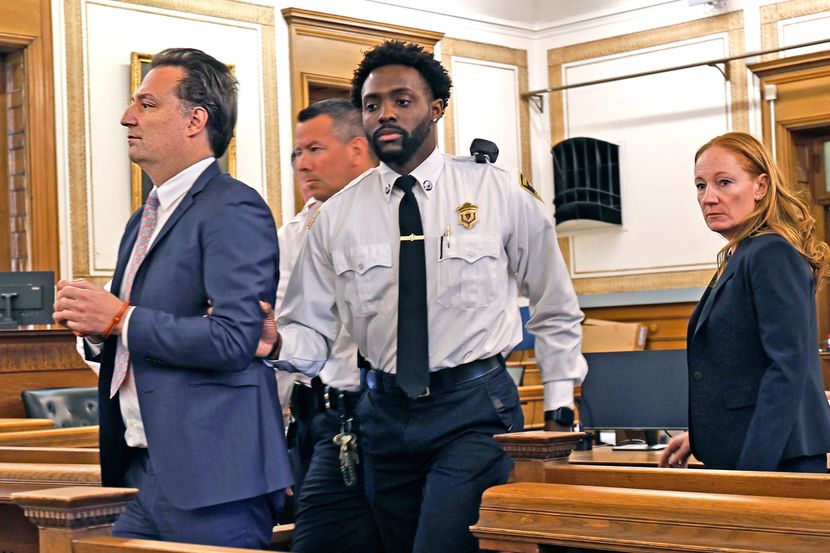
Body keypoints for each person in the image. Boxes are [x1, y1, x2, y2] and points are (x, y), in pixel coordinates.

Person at [275, 40, 586, 553]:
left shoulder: (497, 192)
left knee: (442, 542)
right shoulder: (335, 217)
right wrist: (274, 343)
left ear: (437, 108)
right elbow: (309, 332)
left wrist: (558, 408)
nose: (385, 114)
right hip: (383, 416)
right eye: (372, 105)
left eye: (402, 100)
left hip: (473, 409)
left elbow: (555, 306)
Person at [52, 47, 291, 547]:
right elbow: (128, 331)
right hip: (137, 466)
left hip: (213, 474)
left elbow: (233, 340)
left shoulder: (233, 207)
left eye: (147, 104)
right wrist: (94, 328)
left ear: (195, 120)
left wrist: (120, 318)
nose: (127, 117)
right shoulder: (144, 218)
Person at [659, 132, 830, 473]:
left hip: (776, 459)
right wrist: (703, 435)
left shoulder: (771, 253)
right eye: (700, 186)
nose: (709, 198)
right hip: (753, 450)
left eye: (724, 182)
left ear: (760, 186)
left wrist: (752, 472)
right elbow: (744, 368)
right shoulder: (742, 254)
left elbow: (786, 369)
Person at [274, 98, 382, 552]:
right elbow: (280, 339)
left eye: (314, 149)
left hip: (390, 410)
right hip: (320, 415)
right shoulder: (288, 238)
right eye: (296, 153)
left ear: (357, 149)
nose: (302, 164)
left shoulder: (401, 216)